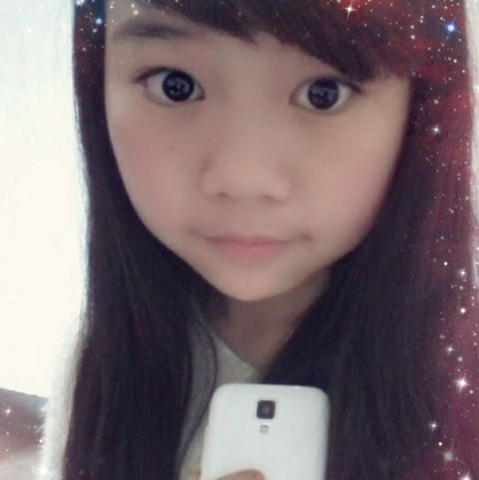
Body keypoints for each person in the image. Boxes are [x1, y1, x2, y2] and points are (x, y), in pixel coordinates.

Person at [38, 0, 479, 479]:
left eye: (324, 93)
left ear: (421, 106)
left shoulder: (463, 377)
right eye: (175, 85)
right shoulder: (99, 362)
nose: (243, 178)